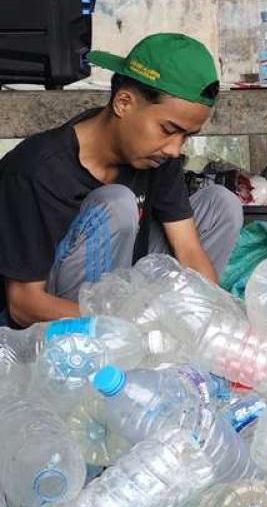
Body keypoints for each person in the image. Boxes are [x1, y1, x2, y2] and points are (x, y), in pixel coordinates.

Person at [0, 33, 243, 328]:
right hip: (60, 317)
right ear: (124, 103)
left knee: (221, 204)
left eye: (186, 136)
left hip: (125, 295)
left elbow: (189, 250)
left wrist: (220, 325)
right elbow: (22, 306)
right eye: (169, 129)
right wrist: (130, 327)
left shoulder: (157, 155)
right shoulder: (36, 171)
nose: (175, 149)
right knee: (116, 203)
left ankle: (188, 333)